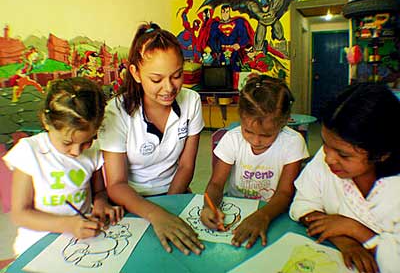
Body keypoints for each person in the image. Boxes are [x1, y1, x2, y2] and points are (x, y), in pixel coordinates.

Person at [97, 22, 205, 255]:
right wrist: (155, 213)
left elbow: (186, 165)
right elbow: (116, 184)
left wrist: (169, 207)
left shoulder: (192, 101)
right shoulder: (116, 112)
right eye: (156, 80)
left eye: (177, 76)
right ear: (136, 73)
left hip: (175, 193)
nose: (169, 88)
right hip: (131, 202)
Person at [3, 77, 124, 255]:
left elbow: (99, 192)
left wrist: (101, 204)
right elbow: (20, 214)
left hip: (79, 241)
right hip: (36, 247)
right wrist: (67, 224)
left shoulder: (93, 152)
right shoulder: (29, 152)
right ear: (46, 122)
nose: (76, 152)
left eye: (87, 141)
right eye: (67, 142)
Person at [289, 83, 400, 273]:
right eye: (325, 143)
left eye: (344, 155)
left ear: (382, 154)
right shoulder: (326, 161)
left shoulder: (394, 190)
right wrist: (345, 240)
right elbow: (302, 204)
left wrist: (354, 229)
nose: (328, 158)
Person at [200, 74, 309, 248]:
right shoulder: (232, 139)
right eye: (248, 131)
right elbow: (216, 184)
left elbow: (284, 193)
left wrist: (263, 216)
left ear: (283, 123)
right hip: (236, 208)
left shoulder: (293, 142)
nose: (256, 141)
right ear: (241, 118)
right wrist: (209, 207)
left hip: (273, 212)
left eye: (266, 135)